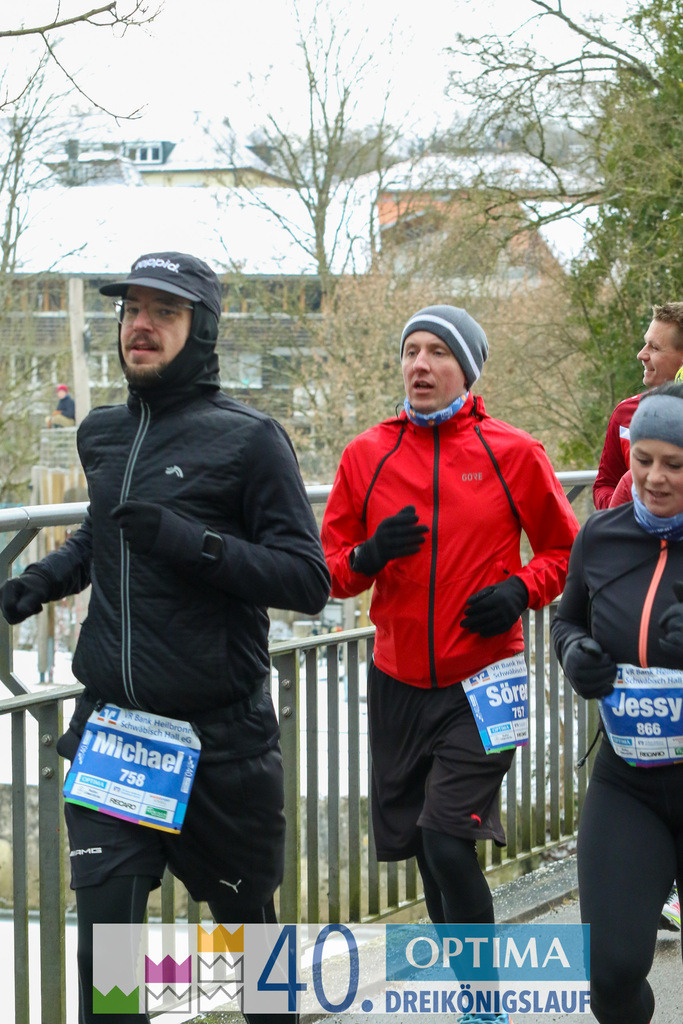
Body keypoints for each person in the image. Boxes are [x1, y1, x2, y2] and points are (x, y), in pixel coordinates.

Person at [0, 251, 330, 1024]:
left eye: (164, 312)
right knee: (109, 967)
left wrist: (193, 542)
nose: (140, 326)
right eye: (131, 310)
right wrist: (45, 578)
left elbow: (306, 581)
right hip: (116, 736)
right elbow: (106, 534)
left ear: (201, 329)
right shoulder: (104, 433)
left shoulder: (251, 441)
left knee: (254, 971)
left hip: (222, 745)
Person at [321, 305, 579, 1024]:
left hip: (484, 680)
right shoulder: (365, 455)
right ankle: (470, 997)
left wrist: (516, 591)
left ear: (466, 368)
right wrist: (370, 556)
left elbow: (565, 552)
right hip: (397, 681)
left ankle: (483, 1007)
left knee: (446, 836)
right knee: (428, 851)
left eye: (437, 352)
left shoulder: (513, 451)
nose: (420, 365)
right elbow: (329, 571)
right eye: (410, 351)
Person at [552, 381, 683, 1024]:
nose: (654, 479)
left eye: (675, 464)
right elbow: (566, 618)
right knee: (610, 972)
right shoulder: (600, 536)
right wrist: (574, 652)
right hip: (628, 778)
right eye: (643, 460)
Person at [593, 303, 683, 510]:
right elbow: (604, 485)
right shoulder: (625, 414)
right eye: (645, 344)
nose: (641, 355)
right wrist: (627, 514)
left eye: (655, 347)